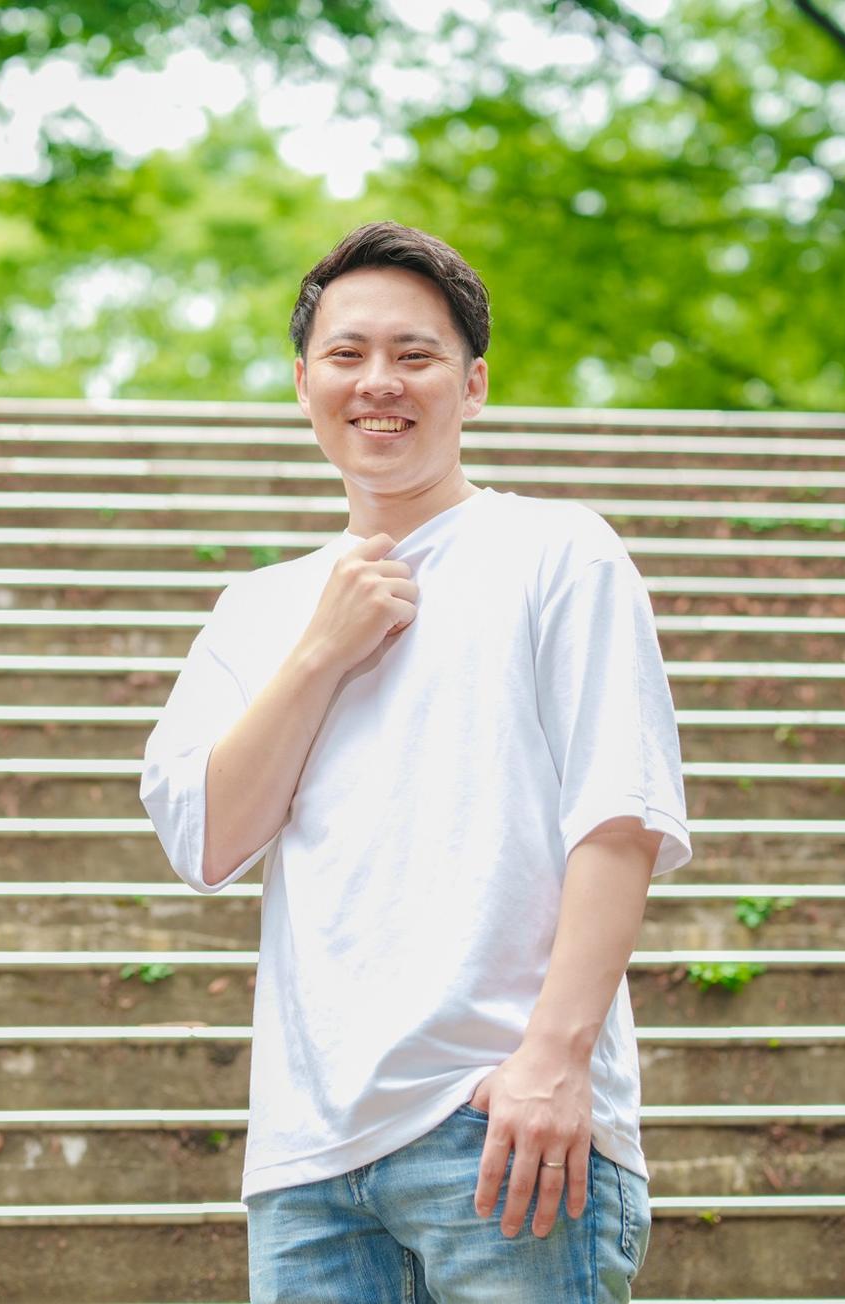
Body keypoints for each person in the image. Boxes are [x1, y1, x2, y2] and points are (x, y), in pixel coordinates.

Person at [139, 221, 693, 1302]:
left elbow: (619, 818)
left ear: (472, 384)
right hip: (308, 1164)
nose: (378, 382)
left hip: (501, 1126)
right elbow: (206, 841)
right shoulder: (256, 609)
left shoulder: (558, 550)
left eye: (416, 354)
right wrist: (321, 651)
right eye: (346, 354)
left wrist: (553, 1060)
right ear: (304, 383)